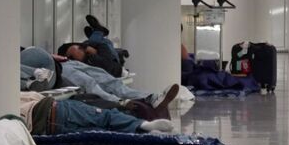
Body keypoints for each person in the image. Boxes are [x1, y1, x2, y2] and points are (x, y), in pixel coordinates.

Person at [21, 46, 179, 107]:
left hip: (62, 64)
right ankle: (120, 104)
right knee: (89, 83)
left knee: (107, 79)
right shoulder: (10, 63)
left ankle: (151, 97)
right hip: (56, 73)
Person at [20, 92, 174, 135]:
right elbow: (36, 97)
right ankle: (144, 125)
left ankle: (144, 131)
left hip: (51, 129)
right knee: (105, 116)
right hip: (56, 110)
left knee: (103, 132)